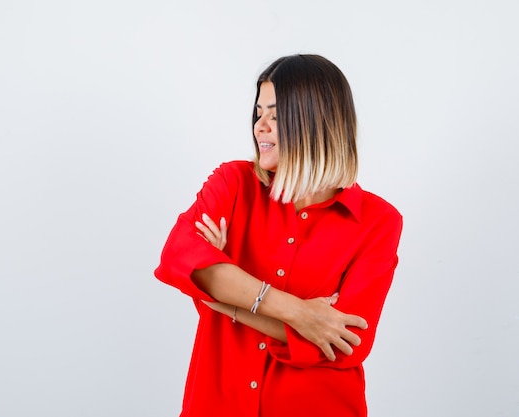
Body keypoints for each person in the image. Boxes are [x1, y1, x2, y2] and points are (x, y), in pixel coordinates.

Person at [154, 54, 403, 417]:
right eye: (258, 113)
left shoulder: (378, 221)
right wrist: (301, 314)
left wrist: (225, 298)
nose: (260, 127)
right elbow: (179, 258)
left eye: (275, 114)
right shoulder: (232, 185)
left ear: (317, 120)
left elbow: (346, 342)